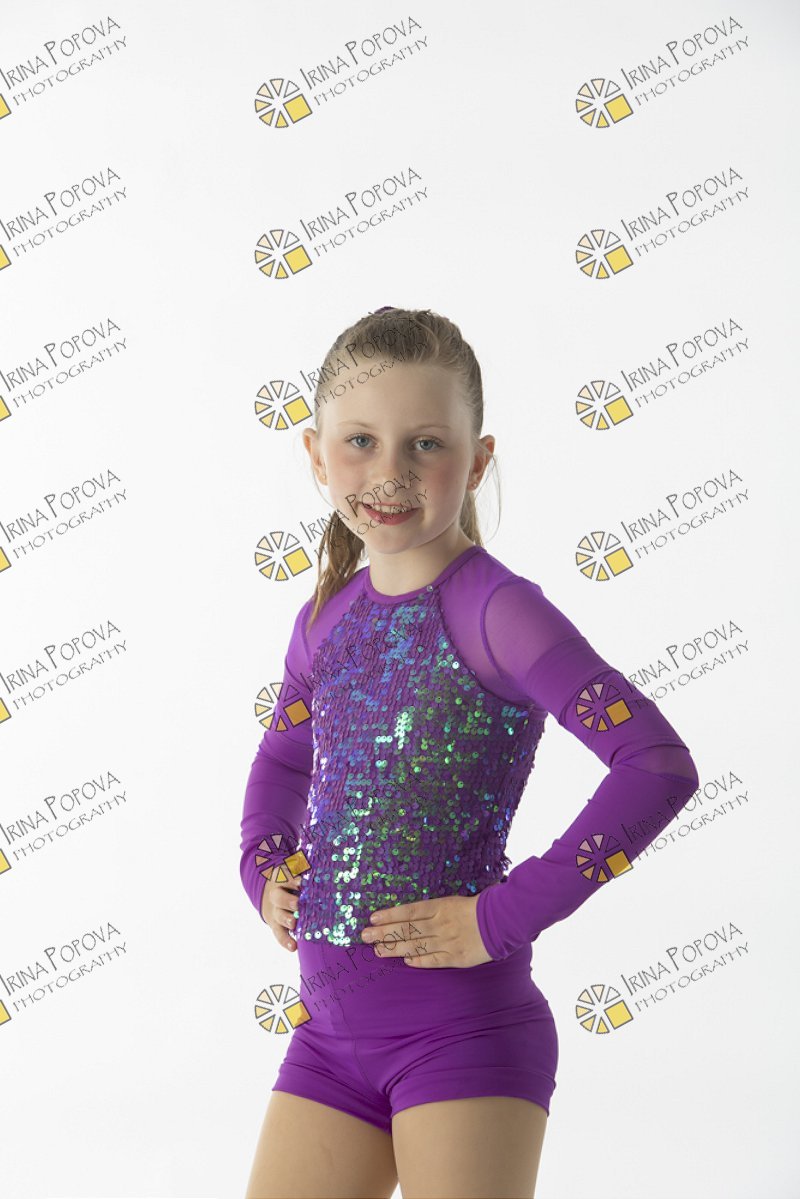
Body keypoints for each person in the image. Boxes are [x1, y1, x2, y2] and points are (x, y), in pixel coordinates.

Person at [240, 307, 699, 1199]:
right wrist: (262, 865)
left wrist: (500, 917)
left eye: (426, 445)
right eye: (361, 441)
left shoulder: (499, 611)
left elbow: (656, 765)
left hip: (465, 1036)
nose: (389, 473)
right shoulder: (325, 618)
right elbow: (284, 760)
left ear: (479, 460)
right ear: (316, 454)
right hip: (328, 1041)